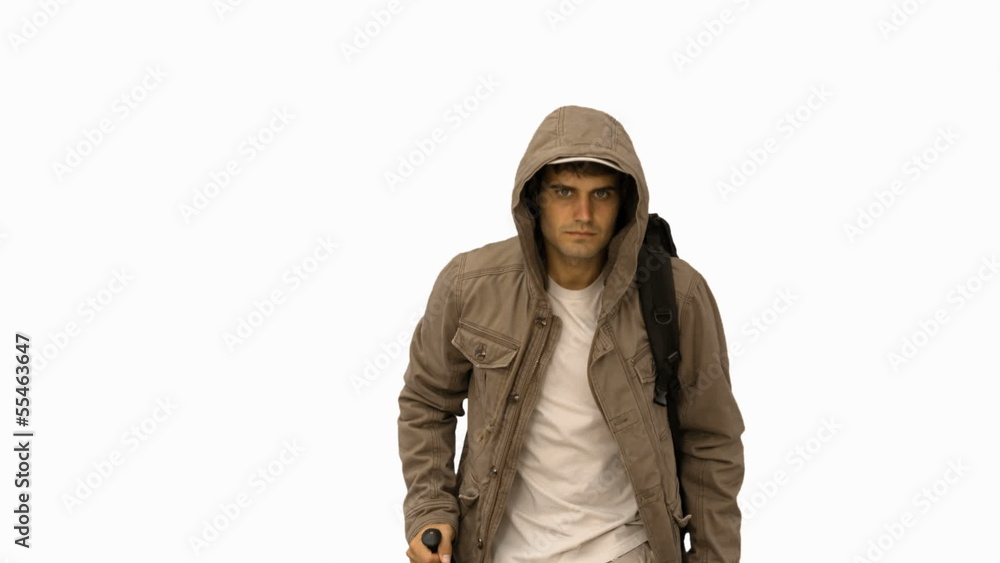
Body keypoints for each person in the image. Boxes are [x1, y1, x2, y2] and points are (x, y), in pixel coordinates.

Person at [398, 105, 745, 563]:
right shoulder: (470, 286)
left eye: (601, 194)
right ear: (535, 199)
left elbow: (712, 440)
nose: (584, 213)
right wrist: (430, 509)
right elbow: (426, 402)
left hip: (626, 551)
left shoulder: (678, 295)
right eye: (564, 192)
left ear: (625, 203)